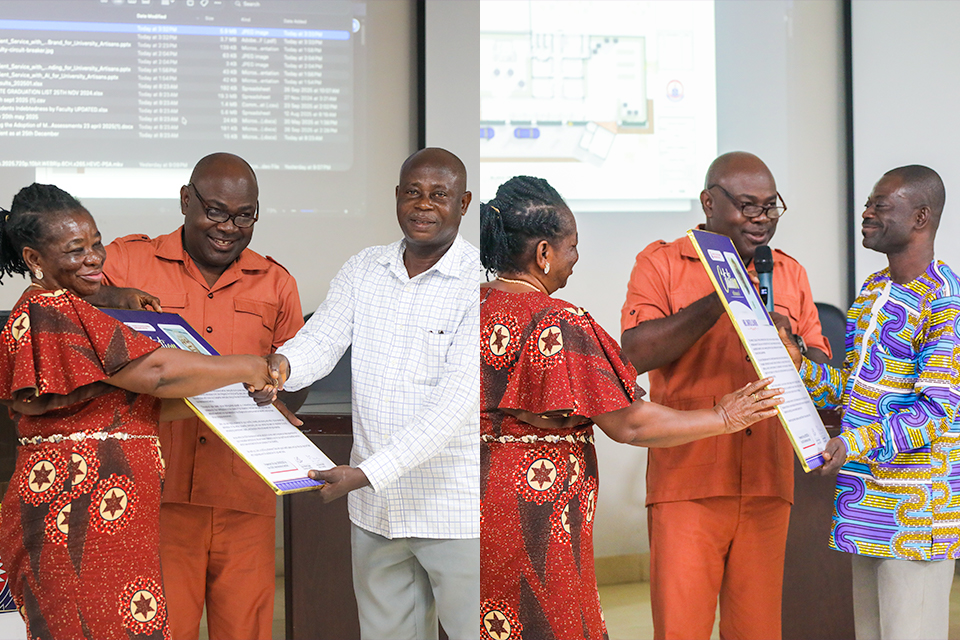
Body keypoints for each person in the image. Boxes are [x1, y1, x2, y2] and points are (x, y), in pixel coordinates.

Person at [478, 174, 784, 640]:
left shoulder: (469, 307)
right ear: (543, 253)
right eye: (572, 247)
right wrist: (723, 416)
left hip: (471, 502)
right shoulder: (559, 321)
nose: (575, 259)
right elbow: (630, 426)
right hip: (533, 514)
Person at [0, 183, 279, 640]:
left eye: (96, 244)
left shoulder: (73, 308)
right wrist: (249, 365)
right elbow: (158, 374)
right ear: (34, 259)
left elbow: (137, 407)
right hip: (75, 524)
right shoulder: (49, 311)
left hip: (109, 525)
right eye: (75, 250)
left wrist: (237, 395)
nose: (94, 258)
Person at [260, 147, 479, 639]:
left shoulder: (480, 283)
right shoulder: (365, 268)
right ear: (396, 196)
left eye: (439, 195)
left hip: (453, 512)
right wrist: (281, 367)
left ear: (463, 204)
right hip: (376, 512)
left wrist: (365, 474)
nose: (423, 204)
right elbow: (321, 340)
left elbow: (453, 407)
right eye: (412, 192)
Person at [619, 151, 831, 640]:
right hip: (687, 481)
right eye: (748, 206)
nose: (761, 218)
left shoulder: (788, 272)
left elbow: (822, 368)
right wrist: (723, 295)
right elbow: (635, 352)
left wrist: (796, 349)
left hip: (767, 480)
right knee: (682, 630)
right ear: (709, 202)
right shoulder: (661, 262)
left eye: (770, 206)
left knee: (758, 630)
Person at [93, 152, 304, 640]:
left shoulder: (277, 282)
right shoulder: (127, 261)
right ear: (186, 200)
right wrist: (108, 295)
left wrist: (276, 393)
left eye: (244, 216)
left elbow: (296, 372)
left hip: (244, 491)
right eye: (215, 211)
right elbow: (64, 299)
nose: (228, 228)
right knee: (161, 630)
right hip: (155, 493)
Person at [780, 165, 960, 640]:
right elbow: (856, 388)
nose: (866, 214)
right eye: (867, 204)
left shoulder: (945, 300)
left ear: (920, 217)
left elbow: (936, 411)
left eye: (880, 206)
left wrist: (852, 443)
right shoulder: (875, 290)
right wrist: (799, 366)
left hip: (915, 514)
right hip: (865, 503)